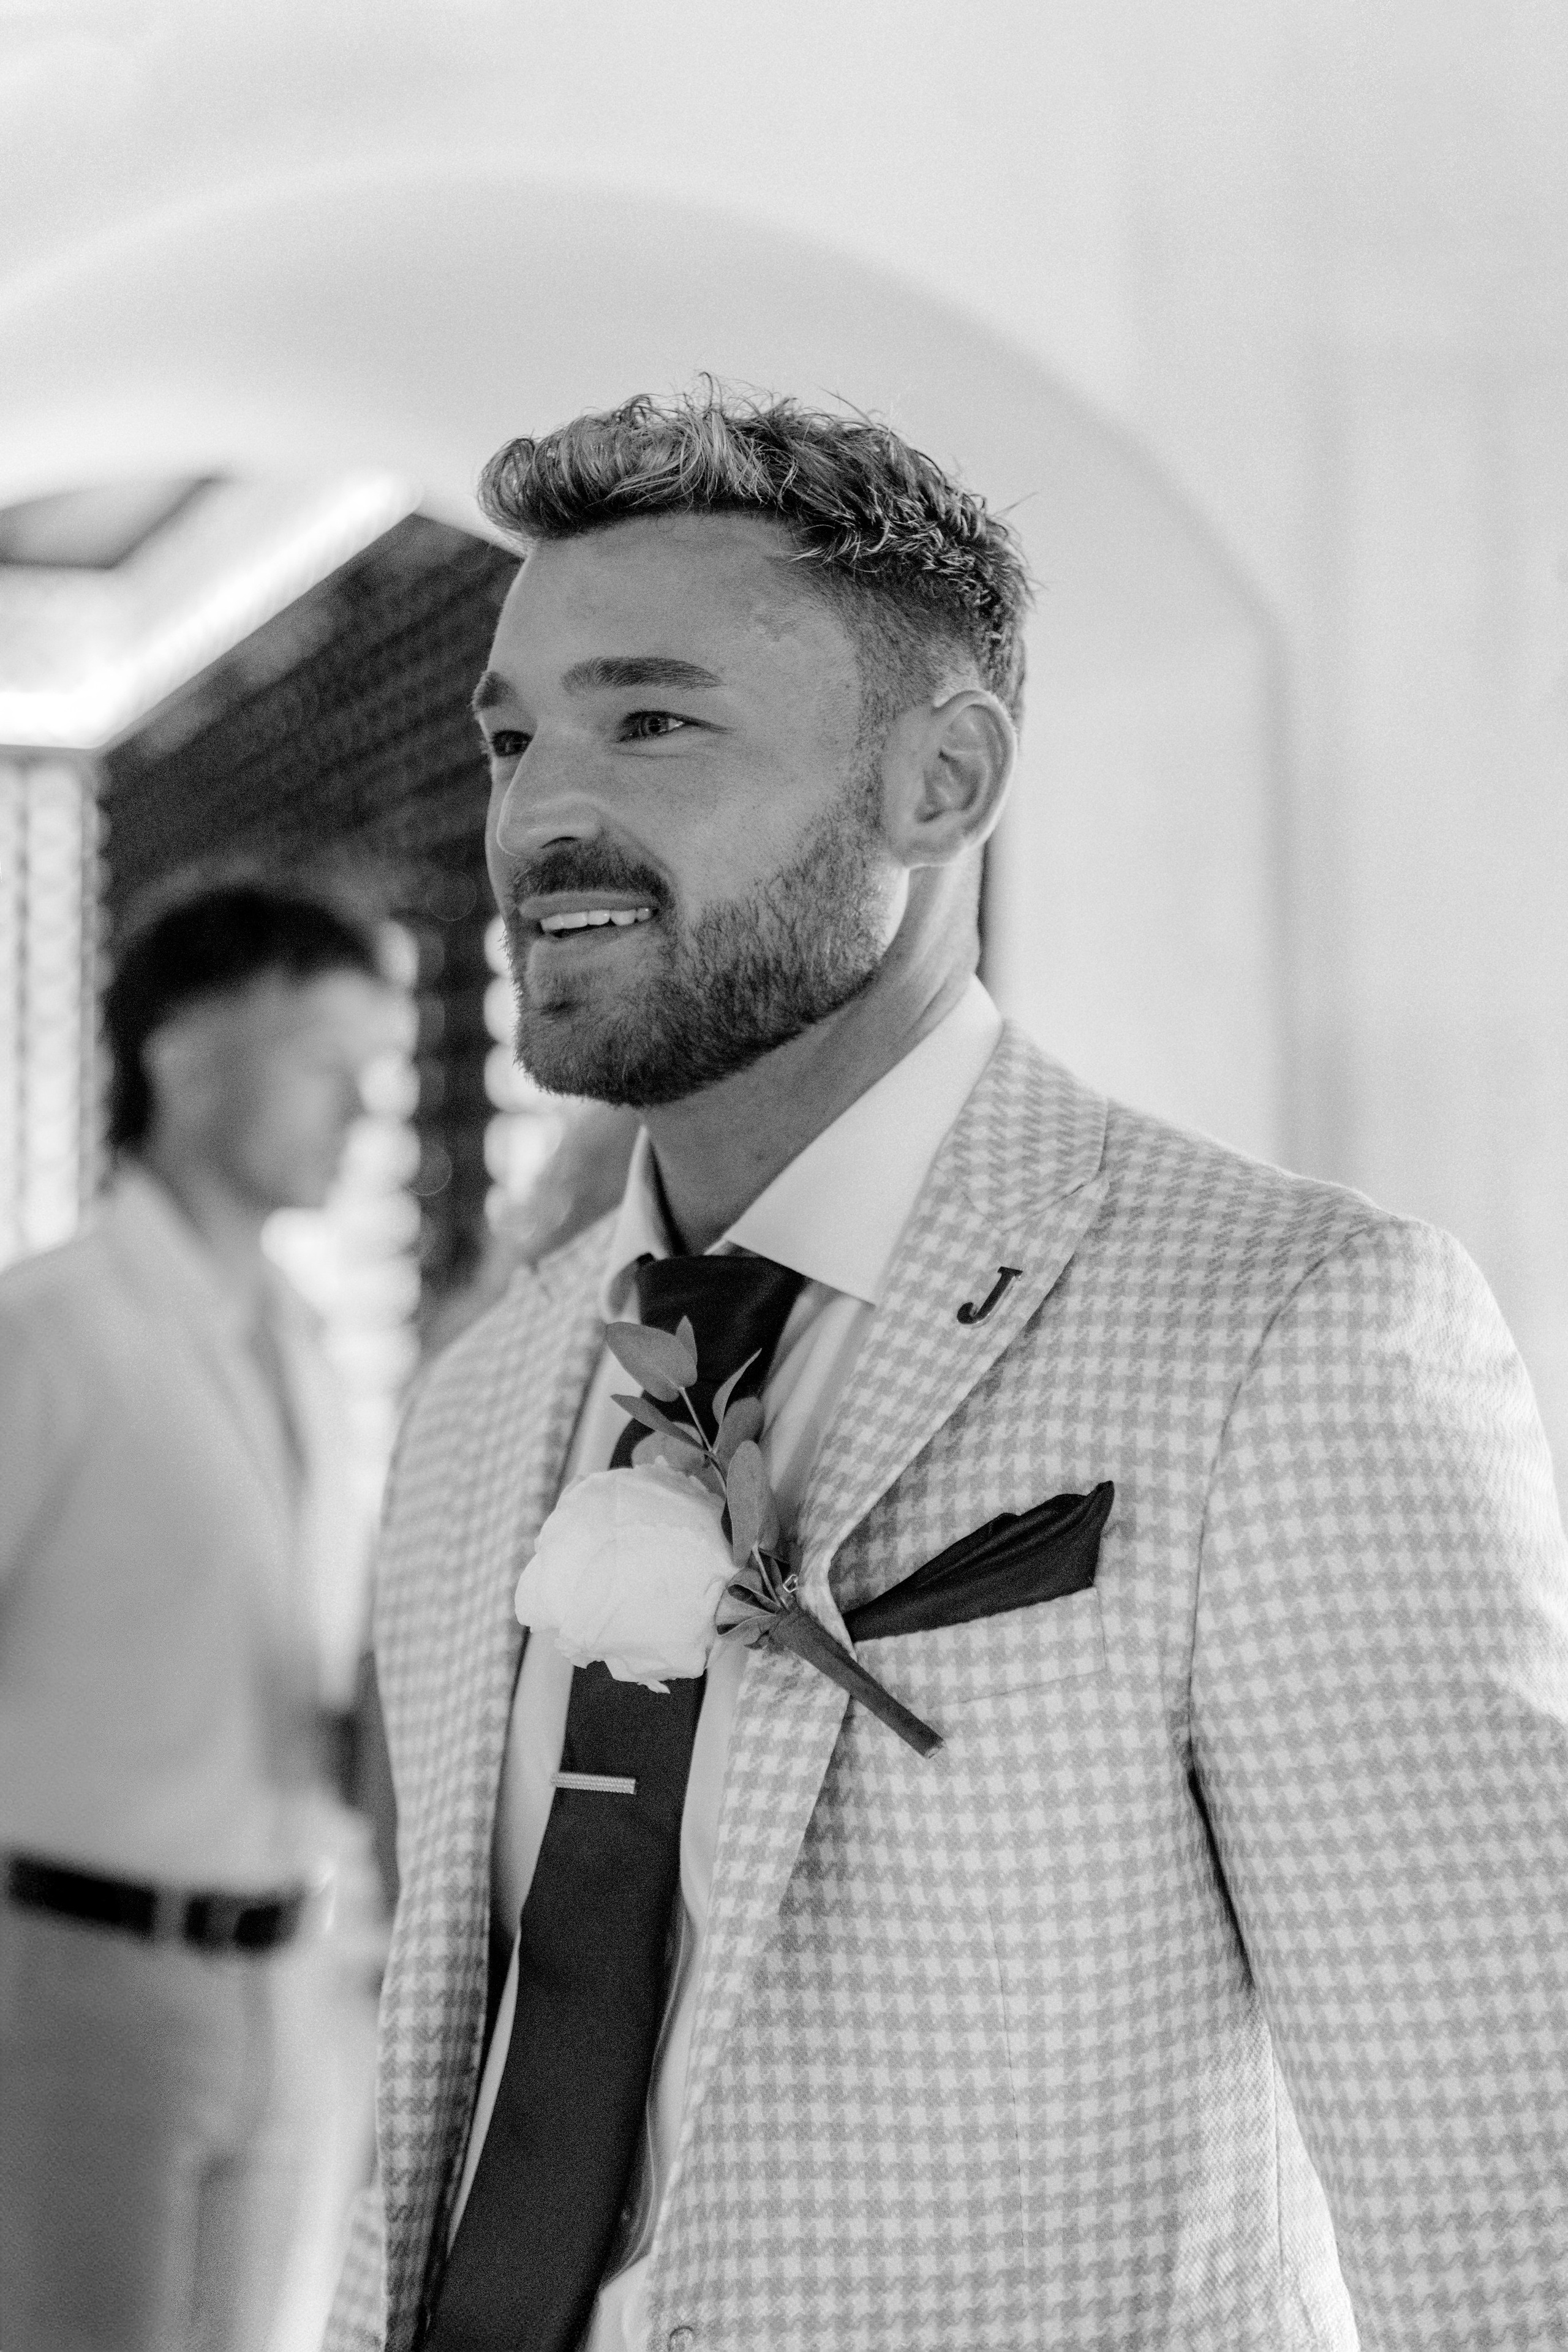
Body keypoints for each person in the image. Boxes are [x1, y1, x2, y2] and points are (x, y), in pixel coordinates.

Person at [325, 393, 1568, 2352]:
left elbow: (1511, 2201)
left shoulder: (1290, 1332)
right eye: (512, 735)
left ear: (941, 783)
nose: (539, 813)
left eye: (651, 720)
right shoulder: (484, 1401)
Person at [0, 876, 404, 2352]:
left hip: (284, 1986)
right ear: (178, 1055)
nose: (361, 1112)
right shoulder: (45, 1332)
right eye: (322, 1063)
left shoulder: (299, 1339)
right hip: (72, 1989)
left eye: (374, 1070)